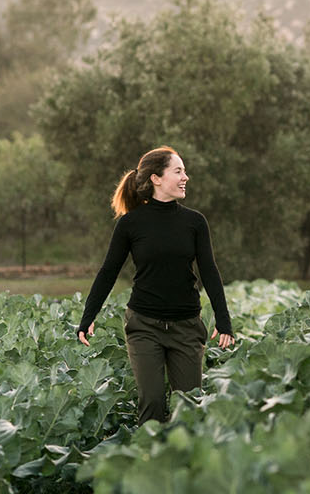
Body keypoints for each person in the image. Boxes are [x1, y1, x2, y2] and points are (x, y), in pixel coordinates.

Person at [77, 145, 234, 426]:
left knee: (189, 409)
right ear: (156, 178)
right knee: (152, 404)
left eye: (184, 171)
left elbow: (209, 272)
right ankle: (150, 463)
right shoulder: (130, 224)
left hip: (186, 328)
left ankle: (184, 467)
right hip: (144, 327)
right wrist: (88, 317)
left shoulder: (195, 222)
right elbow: (108, 272)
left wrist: (224, 321)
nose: (186, 177)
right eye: (178, 171)